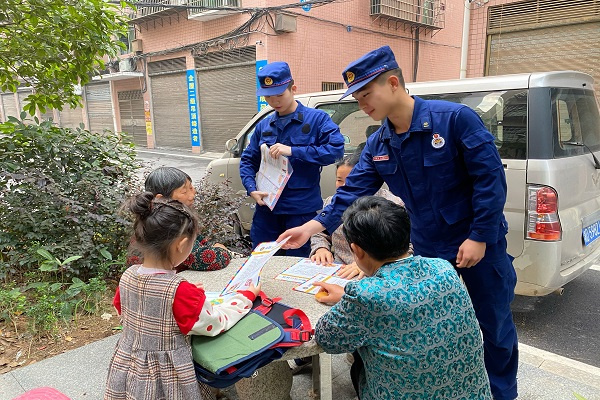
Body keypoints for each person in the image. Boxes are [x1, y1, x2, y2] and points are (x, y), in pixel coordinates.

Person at [278, 45, 518, 400]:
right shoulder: (379, 142)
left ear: (393, 83)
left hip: (478, 247)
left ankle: (501, 393)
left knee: (494, 325)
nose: (361, 104)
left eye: (365, 93)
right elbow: (351, 192)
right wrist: (312, 229)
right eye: (356, 97)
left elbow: (490, 180)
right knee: (431, 327)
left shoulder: (454, 120)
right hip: (428, 250)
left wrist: (480, 235)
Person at [313, 196, 492, 399]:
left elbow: (327, 339)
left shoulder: (365, 295)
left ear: (356, 250)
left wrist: (350, 300)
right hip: (472, 394)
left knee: (358, 362)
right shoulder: (443, 269)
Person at [105, 192, 260, 400]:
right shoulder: (180, 292)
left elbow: (125, 310)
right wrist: (246, 296)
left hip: (128, 365)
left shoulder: (128, 275)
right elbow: (214, 322)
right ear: (181, 244)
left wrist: (180, 295)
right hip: (166, 375)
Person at [239, 61, 344, 257]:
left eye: (280, 94)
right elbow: (247, 160)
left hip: (301, 210)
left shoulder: (317, 120)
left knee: (299, 263)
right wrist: (252, 189)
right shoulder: (264, 126)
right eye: (269, 97)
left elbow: (335, 150)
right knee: (262, 260)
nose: (275, 101)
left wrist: (294, 151)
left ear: (293, 88)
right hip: (267, 210)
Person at [310, 150, 403, 279]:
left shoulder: (393, 204)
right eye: (339, 180)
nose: (344, 187)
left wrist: (368, 264)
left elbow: (407, 247)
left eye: (351, 181)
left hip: (376, 275)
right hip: (338, 271)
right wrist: (321, 249)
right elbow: (319, 232)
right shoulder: (331, 203)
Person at [127, 167, 233, 273]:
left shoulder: (152, 218)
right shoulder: (168, 226)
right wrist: (222, 251)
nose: (192, 195)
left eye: (191, 188)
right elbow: (207, 259)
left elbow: (199, 241)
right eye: (184, 191)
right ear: (161, 198)